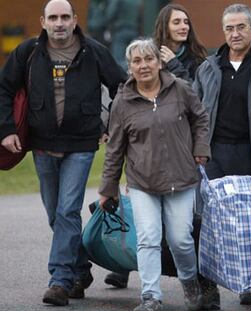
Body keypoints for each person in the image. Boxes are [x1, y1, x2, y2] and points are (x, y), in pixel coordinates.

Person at [0, 0, 126, 306]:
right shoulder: (28, 52)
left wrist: (110, 122)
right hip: (41, 144)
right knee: (55, 212)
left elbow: (122, 85)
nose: (59, 23)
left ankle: (59, 280)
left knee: (67, 210)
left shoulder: (93, 50)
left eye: (64, 17)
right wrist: (6, 130)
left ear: (74, 20)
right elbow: (4, 89)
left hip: (81, 144)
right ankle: (80, 269)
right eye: (53, 17)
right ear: (43, 21)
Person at [98, 38, 210, 311]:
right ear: (130, 67)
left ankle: (190, 282)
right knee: (148, 238)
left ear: (159, 63)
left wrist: (201, 147)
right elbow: (114, 148)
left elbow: (201, 118)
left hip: (181, 178)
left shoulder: (180, 89)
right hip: (142, 182)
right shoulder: (122, 101)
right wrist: (107, 188)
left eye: (149, 59)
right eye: (136, 61)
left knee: (180, 239)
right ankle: (151, 297)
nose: (143, 65)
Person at [193, 3, 251, 308]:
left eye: (241, 27)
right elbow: (193, 111)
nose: (235, 33)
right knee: (207, 221)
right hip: (214, 154)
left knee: (250, 224)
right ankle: (208, 288)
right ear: (223, 31)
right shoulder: (208, 67)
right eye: (229, 28)